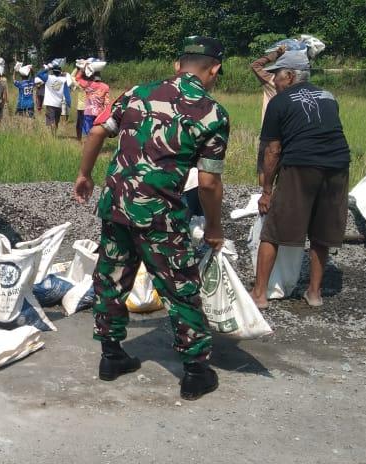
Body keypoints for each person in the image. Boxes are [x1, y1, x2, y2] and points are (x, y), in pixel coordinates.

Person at [72, 36, 229, 401]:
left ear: (178, 64)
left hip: (116, 206)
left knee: (111, 279)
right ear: (215, 69)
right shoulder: (211, 113)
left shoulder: (136, 93)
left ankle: (110, 357)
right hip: (160, 216)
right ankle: (194, 372)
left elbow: (97, 130)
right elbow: (208, 182)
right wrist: (215, 230)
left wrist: (84, 175)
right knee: (181, 289)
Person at [250, 53, 351, 310]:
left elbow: (273, 150)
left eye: (277, 74)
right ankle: (314, 293)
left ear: (291, 75)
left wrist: (266, 191)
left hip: (301, 166)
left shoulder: (279, 101)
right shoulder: (329, 96)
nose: (274, 79)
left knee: (273, 230)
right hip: (338, 166)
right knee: (322, 232)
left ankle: (259, 294)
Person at [251, 45, 288, 185]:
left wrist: (275, 54)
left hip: (269, 128)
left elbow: (255, 65)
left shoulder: (271, 79)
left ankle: (264, 193)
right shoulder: (295, 82)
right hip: (288, 130)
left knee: (264, 166)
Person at [74, 63, 111, 138]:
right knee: (97, 132)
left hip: (88, 112)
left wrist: (82, 68)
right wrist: (107, 114)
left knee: (88, 133)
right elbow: (107, 102)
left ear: (92, 76)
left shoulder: (87, 84)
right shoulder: (106, 87)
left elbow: (77, 78)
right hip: (100, 113)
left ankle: (87, 146)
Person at [37, 64, 70, 133]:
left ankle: (53, 136)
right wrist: (69, 102)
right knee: (56, 121)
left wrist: (48, 68)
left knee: (52, 121)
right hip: (58, 104)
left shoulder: (48, 77)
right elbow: (67, 93)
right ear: (60, 72)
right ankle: (54, 134)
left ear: (52, 71)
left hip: (50, 104)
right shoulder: (64, 80)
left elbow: (39, 74)